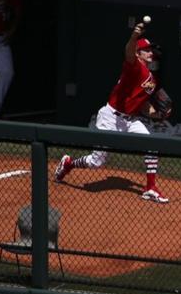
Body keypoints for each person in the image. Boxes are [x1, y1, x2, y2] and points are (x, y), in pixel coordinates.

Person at [53, 21, 169, 202]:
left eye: (151, 50)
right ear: (138, 54)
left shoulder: (151, 78)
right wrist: (134, 36)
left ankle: (150, 188)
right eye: (146, 50)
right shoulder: (134, 66)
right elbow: (129, 52)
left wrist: (159, 115)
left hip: (130, 119)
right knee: (96, 162)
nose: (150, 52)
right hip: (110, 117)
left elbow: (144, 105)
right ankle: (68, 164)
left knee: (151, 145)